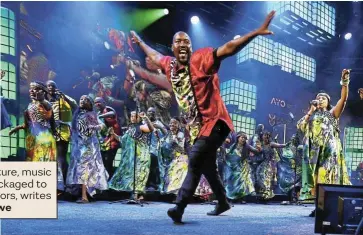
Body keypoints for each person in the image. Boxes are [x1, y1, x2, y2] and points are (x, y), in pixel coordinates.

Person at [130, 10, 276, 223]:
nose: (183, 45)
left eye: (187, 42)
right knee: (207, 166)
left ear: (191, 47)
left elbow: (227, 49)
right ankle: (223, 201)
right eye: (178, 42)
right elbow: (154, 56)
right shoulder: (169, 66)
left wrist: (255, 32)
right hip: (196, 128)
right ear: (173, 47)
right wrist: (140, 41)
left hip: (217, 122)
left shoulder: (201, 59)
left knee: (196, 159)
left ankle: (179, 207)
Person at [297, 69, 351, 216]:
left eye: (323, 98)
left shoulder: (333, 113)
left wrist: (344, 82)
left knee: (326, 176)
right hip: (314, 152)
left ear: (328, 102)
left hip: (329, 150)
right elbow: (300, 126)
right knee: (315, 179)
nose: (320, 99)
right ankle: (319, 207)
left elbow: (343, 99)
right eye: (318, 98)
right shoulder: (311, 115)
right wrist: (310, 111)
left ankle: (328, 208)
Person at [9, 81, 64, 190]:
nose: (32, 91)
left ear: (42, 92)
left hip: (44, 139)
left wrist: (42, 99)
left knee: (42, 163)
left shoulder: (45, 104)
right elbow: (27, 124)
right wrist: (17, 128)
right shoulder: (30, 105)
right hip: (32, 139)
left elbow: (49, 111)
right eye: (31, 88)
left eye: (35, 89)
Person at [66, 95, 109, 203]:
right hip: (79, 147)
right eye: (81, 99)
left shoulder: (91, 114)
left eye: (85, 100)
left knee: (84, 170)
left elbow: (102, 126)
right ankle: (83, 194)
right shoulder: (78, 114)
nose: (82, 101)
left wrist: (95, 127)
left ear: (90, 104)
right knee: (80, 171)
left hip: (89, 147)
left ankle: (84, 196)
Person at [46, 80, 77, 184]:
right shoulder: (43, 100)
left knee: (61, 158)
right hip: (47, 132)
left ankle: (65, 183)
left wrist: (63, 95)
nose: (51, 87)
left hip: (61, 132)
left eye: (53, 85)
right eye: (49, 86)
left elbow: (75, 105)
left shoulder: (62, 98)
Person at [94, 97, 121, 179]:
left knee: (109, 163)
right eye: (95, 102)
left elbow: (112, 113)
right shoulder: (98, 113)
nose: (97, 104)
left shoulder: (108, 109)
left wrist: (100, 116)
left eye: (99, 102)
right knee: (103, 163)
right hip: (103, 143)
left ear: (104, 102)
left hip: (112, 142)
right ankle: (106, 181)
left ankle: (111, 182)